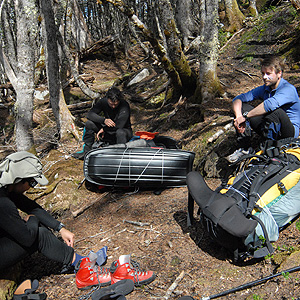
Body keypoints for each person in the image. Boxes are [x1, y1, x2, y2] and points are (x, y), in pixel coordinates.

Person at [0, 151, 155, 291]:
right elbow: (28, 238)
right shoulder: (3, 202)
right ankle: (83, 268)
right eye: (32, 182)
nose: (31, 187)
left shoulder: (6, 189)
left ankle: (81, 264)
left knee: (38, 226)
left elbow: (32, 207)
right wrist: (32, 220)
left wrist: (59, 227)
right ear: (18, 180)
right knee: (39, 233)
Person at [227, 56, 300, 162]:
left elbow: (269, 105)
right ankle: (245, 148)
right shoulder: (265, 88)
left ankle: (268, 149)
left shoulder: (288, 89)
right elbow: (238, 99)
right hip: (270, 126)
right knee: (242, 107)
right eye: (263, 73)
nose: (265, 77)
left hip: (288, 133)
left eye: (268, 74)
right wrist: (239, 116)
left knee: (276, 112)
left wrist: (246, 116)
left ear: (279, 73)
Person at [72, 87, 133, 160]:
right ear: (107, 99)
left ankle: (120, 157)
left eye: (116, 104)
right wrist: (103, 120)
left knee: (120, 132)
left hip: (123, 132)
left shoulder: (124, 105)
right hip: (107, 131)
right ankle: (87, 152)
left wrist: (105, 129)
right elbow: (90, 114)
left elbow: (120, 124)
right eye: (111, 104)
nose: (113, 107)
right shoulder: (103, 102)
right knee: (89, 123)